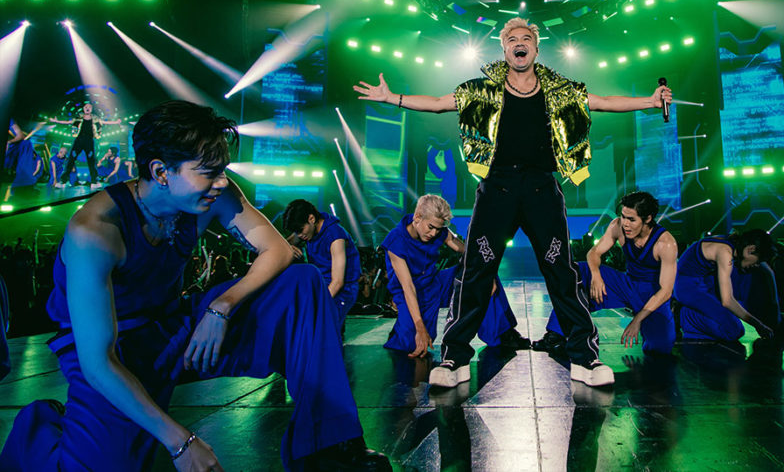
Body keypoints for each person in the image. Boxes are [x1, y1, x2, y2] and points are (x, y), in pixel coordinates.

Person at [0, 100, 389, 472]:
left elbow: (279, 251)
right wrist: (181, 442)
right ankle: (38, 428)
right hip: (112, 352)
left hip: (174, 329)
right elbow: (98, 361)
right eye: (209, 171)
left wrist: (223, 306)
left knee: (302, 283)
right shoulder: (96, 231)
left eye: (223, 169)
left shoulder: (212, 195)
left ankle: (328, 445)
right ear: (161, 171)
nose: (221, 182)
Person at [354, 17, 672, 388]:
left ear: (535, 49)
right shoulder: (481, 89)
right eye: (511, 39)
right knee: (476, 271)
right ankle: (455, 358)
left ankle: (585, 357)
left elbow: (602, 102)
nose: (519, 43)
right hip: (497, 189)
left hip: (541, 189)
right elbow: (439, 104)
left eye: (526, 39)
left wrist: (650, 102)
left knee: (561, 272)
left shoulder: (559, 89)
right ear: (505, 50)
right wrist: (392, 98)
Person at [380, 194, 528, 356]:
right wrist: (420, 327)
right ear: (417, 217)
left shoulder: (438, 230)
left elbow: (469, 253)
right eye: (431, 227)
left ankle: (504, 333)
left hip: (435, 283)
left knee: (481, 274)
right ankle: (399, 331)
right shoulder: (395, 241)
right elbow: (408, 287)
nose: (434, 233)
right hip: (410, 292)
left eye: (438, 229)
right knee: (413, 343)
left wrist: (486, 273)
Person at [533, 191, 677, 355]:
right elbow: (593, 253)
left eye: (631, 219)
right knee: (581, 271)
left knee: (660, 347)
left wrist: (637, 320)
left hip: (653, 293)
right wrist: (596, 275)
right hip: (627, 285)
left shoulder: (666, 243)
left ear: (648, 219)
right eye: (623, 216)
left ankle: (655, 328)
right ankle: (555, 335)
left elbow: (666, 291)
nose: (625, 224)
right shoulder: (617, 226)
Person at [674, 229, 779, 343]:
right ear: (750, 249)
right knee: (733, 331)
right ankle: (682, 315)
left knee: (736, 329)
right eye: (758, 261)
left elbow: (767, 270)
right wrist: (758, 325)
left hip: (703, 284)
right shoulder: (725, 253)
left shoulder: (734, 244)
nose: (756, 265)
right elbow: (727, 301)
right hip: (687, 287)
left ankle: (691, 317)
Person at [281, 199, 362, 336]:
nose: (299, 235)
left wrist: (317, 305)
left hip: (342, 289)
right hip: (319, 284)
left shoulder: (335, 236)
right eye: (296, 232)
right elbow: (283, 245)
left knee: (321, 330)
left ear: (311, 219)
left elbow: (338, 282)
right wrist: (288, 248)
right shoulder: (306, 230)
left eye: (300, 231)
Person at [49, 103, 123, 189]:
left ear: (91, 109)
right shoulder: (78, 118)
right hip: (79, 141)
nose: (87, 108)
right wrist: (56, 121)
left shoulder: (95, 119)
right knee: (71, 160)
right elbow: (68, 122)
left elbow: (105, 122)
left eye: (89, 107)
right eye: (86, 107)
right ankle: (63, 181)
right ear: (83, 108)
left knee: (92, 161)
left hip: (89, 141)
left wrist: (116, 122)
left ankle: (94, 182)